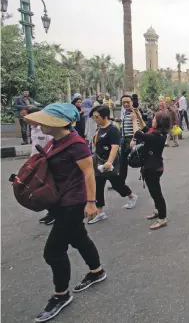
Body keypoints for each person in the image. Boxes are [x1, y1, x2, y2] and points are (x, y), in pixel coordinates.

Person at [24, 103, 106, 322]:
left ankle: (61, 295)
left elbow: (89, 174)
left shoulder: (77, 145)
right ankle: (96, 271)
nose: (41, 124)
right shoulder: (54, 142)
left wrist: (91, 203)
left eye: (46, 120)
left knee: (53, 252)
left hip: (73, 203)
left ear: (59, 122)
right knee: (79, 238)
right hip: (59, 201)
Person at [88, 105, 138, 224]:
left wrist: (109, 162)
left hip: (110, 163)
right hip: (98, 162)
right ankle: (100, 212)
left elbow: (115, 147)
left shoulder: (113, 129)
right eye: (94, 117)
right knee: (98, 186)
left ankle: (131, 196)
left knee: (116, 184)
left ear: (105, 116)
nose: (95, 119)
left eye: (97, 117)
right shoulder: (99, 128)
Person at [132, 109, 170, 230]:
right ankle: (158, 210)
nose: (152, 120)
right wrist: (138, 117)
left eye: (154, 118)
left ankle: (162, 218)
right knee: (154, 193)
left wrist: (133, 120)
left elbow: (138, 134)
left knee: (156, 194)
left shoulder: (156, 137)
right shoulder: (156, 133)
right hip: (152, 167)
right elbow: (145, 130)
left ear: (159, 122)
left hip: (153, 169)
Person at [119, 95, 140, 182]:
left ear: (132, 102)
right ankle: (121, 181)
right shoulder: (125, 112)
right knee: (122, 162)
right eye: (124, 102)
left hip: (131, 139)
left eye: (128, 102)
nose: (126, 104)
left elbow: (137, 127)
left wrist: (134, 139)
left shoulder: (133, 112)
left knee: (135, 160)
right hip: (124, 139)